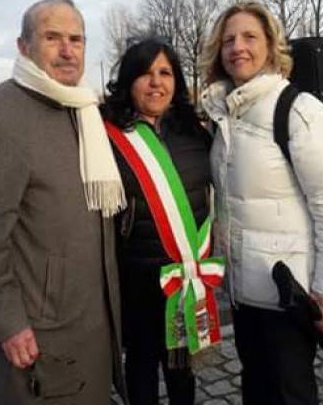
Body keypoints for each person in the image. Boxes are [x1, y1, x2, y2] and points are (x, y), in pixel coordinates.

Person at [0, 0, 127, 405]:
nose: (68, 50)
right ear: (23, 46)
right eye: (52, 38)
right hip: (40, 327)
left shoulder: (84, 108)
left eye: (76, 39)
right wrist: (7, 323)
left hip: (93, 317)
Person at [200, 2, 323, 405]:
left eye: (250, 37)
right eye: (229, 39)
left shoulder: (299, 111)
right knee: (256, 387)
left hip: (286, 297)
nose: (238, 47)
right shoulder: (224, 118)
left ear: (271, 47)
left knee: (290, 394)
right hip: (244, 293)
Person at [101, 38, 222, 405]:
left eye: (165, 73)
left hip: (188, 278)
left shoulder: (194, 131)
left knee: (182, 371)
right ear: (128, 81)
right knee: (141, 371)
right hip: (138, 281)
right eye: (145, 73)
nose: (156, 82)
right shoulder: (104, 137)